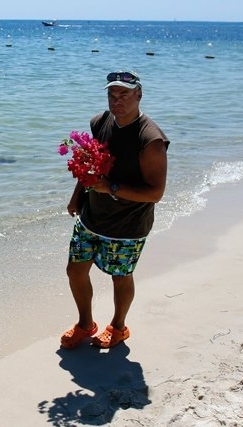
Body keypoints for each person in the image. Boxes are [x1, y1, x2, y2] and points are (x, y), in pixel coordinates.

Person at [60, 70, 170, 349]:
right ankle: (86, 324)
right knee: (75, 271)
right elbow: (89, 166)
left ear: (139, 95)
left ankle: (118, 327)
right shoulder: (101, 122)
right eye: (112, 94)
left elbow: (155, 193)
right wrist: (77, 196)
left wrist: (111, 188)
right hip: (91, 217)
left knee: (120, 277)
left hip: (127, 226)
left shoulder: (151, 140)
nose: (116, 100)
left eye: (124, 94)